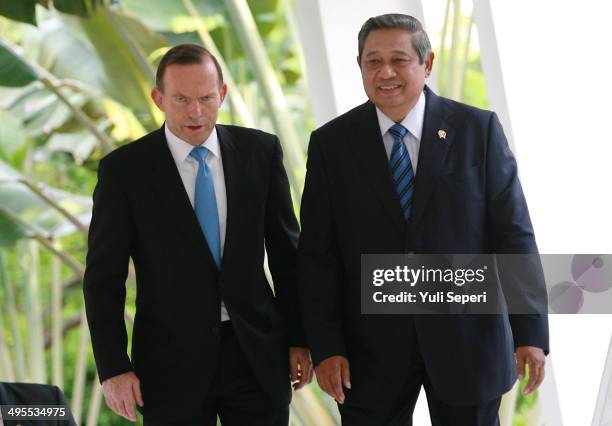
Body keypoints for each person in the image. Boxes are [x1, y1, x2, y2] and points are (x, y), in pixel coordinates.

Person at [298, 14, 549, 425]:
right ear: (359, 66)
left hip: (467, 342)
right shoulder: (331, 145)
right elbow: (317, 255)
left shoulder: (476, 130)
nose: (386, 72)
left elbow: (513, 235)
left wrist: (531, 333)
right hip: (368, 353)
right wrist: (326, 346)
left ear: (427, 64)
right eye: (373, 62)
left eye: (399, 59)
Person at [83, 44, 312, 426]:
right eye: (182, 99)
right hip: (169, 365)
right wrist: (113, 368)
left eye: (207, 98)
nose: (196, 112)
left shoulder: (261, 152)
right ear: (159, 98)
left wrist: (299, 337)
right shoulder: (124, 171)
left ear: (221, 94)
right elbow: (103, 280)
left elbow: (288, 256)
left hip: (256, 355)